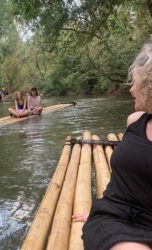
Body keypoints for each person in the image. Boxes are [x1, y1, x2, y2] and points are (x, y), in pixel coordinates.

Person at [73, 41, 152, 250]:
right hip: (114, 220)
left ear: (148, 85)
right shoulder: (135, 121)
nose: (131, 89)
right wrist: (95, 211)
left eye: (134, 82)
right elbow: (122, 182)